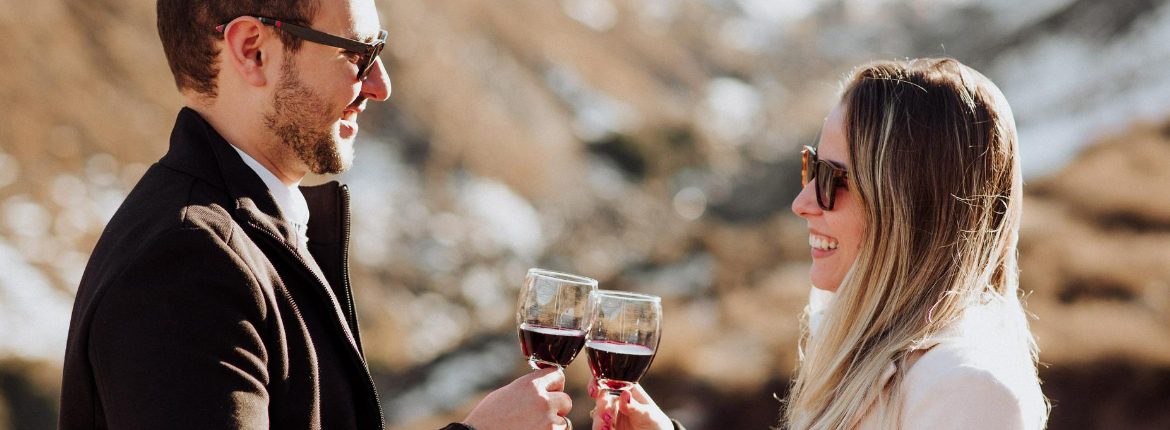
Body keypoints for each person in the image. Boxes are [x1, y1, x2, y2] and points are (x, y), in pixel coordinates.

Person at [58, 0, 571, 428]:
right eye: (358, 54)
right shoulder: (186, 265)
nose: (380, 85)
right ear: (252, 51)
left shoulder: (239, 234)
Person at [588, 58, 1049, 429]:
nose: (803, 202)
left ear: (910, 206)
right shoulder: (866, 351)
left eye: (833, 179)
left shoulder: (967, 392)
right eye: (812, 167)